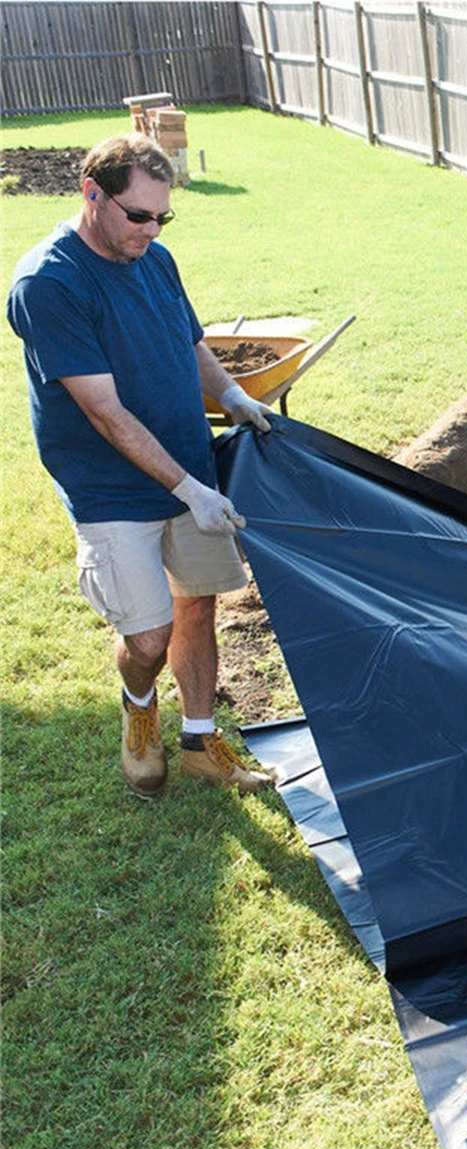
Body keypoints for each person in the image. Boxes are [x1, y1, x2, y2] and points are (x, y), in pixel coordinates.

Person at [7, 132, 275, 797]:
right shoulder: (50, 283)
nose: (151, 231)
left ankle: (200, 741)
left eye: (163, 217)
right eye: (138, 216)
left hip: (188, 469)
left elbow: (190, 343)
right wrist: (190, 489)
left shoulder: (154, 258)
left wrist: (233, 394)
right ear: (92, 195)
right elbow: (104, 412)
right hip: (112, 492)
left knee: (196, 609)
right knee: (150, 636)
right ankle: (138, 710)